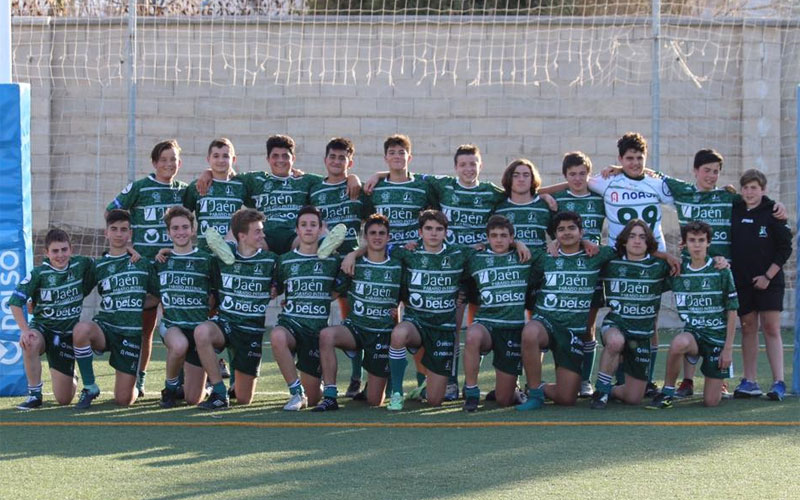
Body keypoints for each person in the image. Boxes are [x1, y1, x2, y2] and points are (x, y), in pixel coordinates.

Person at [107, 139, 188, 397]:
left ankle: (181, 380)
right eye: (163, 160)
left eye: (173, 159)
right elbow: (113, 210)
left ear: (179, 163)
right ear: (154, 163)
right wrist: (125, 246)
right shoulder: (140, 187)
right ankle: (140, 380)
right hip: (146, 269)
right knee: (146, 328)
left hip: (178, 269)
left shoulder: (185, 191)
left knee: (184, 325)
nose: (168, 164)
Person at [381, 210, 473, 410]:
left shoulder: (458, 253)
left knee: (434, 401)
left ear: (446, 232)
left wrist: (517, 243)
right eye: (428, 229)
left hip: (443, 328)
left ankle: (425, 386)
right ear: (420, 232)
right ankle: (397, 392)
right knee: (398, 334)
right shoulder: (408, 252)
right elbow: (376, 245)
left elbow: (490, 250)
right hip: (416, 324)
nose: (434, 233)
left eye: (439, 229)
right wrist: (354, 254)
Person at [72, 210, 159, 409]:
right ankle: (90, 386)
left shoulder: (142, 263)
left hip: (130, 332)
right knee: (81, 330)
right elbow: (79, 292)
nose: (119, 234)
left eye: (123, 230)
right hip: (106, 327)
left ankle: (136, 380)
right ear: (106, 233)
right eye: (114, 229)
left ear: (130, 234)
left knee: (123, 400)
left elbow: (160, 294)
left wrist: (135, 302)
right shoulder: (99, 265)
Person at [192, 208, 278, 409]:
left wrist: (276, 287)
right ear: (242, 236)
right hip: (226, 324)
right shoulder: (222, 259)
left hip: (251, 332)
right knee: (202, 331)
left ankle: (232, 381)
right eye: (257, 231)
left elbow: (281, 284)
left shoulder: (271, 261)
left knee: (244, 398)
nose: (262, 235)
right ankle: (219, 392)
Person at [314, 214, 402, 411]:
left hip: (382, 333)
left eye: (382, 233)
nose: (377, 237)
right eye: (372, 233)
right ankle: (329, 395)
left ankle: (376, 381)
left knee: (373, 402)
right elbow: (333, 293)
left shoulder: (398, 264)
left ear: (388, 237)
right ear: (365, 237)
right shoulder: (352, 263)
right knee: (326, 335)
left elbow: (408, 296)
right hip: (355, 328)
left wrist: (398, 318)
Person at [647, 221, 738, 409]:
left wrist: (728, 349)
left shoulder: (721, 270)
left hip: (717, 338)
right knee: (679, 342)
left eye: (701, 240)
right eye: (692, 240)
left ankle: (715, 376)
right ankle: (668, 392)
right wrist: (666, 255)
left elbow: (732, 310)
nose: (697, 245)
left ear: (708, 243)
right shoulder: (678, 269)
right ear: (685, 243)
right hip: (694, 334)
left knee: (711, 403)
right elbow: (646, 252)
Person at [309, 137, 368, 398]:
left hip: (351, 263)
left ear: (350, 162)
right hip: (321, 264)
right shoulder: (313, 189)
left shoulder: (358, 190)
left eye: (342, 158)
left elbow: (376, 227)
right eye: (332, 157)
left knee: (352, 320)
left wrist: (357, 253)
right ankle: (316, 374)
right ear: (325, 160)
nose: (336, 162)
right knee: (315, 317)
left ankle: (356, 376)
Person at [590, 220, 670, 409]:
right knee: (616, 341)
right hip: (616, 325)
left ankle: (611, 391)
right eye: (632, 236)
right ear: (624, 241)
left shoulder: (659, 265)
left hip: (642, 335)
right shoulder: (610, 262)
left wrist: (719, 260)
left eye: (642, 237)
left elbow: (688, 265)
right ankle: (601, 390)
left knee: (634, 398)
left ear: (648, 242)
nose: (637, 241)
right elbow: (586, 251)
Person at [270, 206, 344, 410]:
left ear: (321, 229)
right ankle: (296, 393)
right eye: (304, 225)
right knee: (277, 335)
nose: (308, 229)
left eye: (313, 225)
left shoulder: (333, 260)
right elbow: (277, 287)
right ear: (297, 230)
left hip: (316, 331)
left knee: (314, 398)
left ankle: (315, 386)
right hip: (291, 324)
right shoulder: (285, 260)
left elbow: (338, 289)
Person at [11, 229, 94, 409]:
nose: (60, 255)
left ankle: (71, 375)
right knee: (29, 342)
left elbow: (104, 265)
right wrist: (25, 330)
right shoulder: (38, 274)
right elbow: (15, 302)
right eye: (55, 251)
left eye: (64, 250)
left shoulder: (82, 264)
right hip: (43, 329)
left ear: (71, 250)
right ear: (46, 253)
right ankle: (34, 395)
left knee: (64, 400)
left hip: (65, 336)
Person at [730, 169, 792, 401]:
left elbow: (785, 249)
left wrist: (767, 276)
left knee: (771, 328)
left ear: (763, 189)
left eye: (754, 188)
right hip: (743, 281)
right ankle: (750, 381)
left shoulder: (773, 212)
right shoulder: (735, 208)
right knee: (747, 327)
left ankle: (778, 382)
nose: (749, 192)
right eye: (745, 187)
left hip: (770, 281)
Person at [462, 215, 533, 411]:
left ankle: (512, 390)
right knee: (472, 335)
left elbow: (555, 252)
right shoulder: (475, 258)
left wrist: (520, 244)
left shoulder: (524, 257)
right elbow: (445, 257)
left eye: (504, 235)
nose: (499, 240)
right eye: (494, 235)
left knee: (504, 400)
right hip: (486, 323)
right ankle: (471, 391)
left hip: (511, 328)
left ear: (512, 238)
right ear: (487, 238)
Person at [551, 152, 607, 398]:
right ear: (565, 176)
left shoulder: (599, 198)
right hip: (564, 272)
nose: (577, 178)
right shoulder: (557, 199)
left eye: (582, 173)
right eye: (572, 174)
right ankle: (562, 376)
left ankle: (585, 380)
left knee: (588, 326)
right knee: (561, 327)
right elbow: (536, 189)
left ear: (589, 174)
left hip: (591, 270)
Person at [155, 207, 217, 408]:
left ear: (192, 230)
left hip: (198, 330)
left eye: (184, 227)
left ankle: (204, 384)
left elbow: (216, 293)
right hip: (173, 326)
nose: (180, 232)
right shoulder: (161, 261)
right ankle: (170, 387)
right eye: (175, 228)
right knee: (179, 345)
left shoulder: (207, 260)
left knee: (192, 399)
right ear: (168, 233)